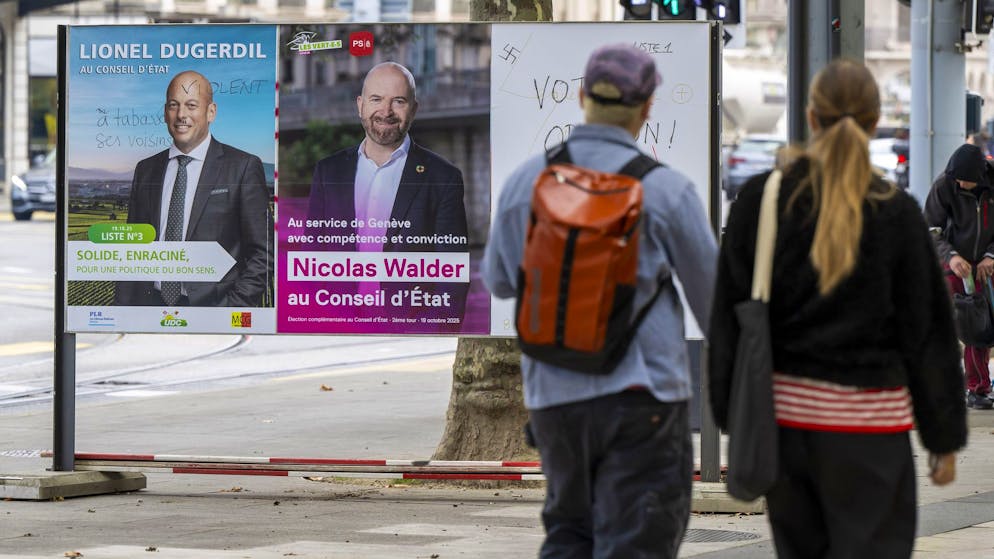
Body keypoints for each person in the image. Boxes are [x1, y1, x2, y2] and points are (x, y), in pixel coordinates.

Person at [709, 60, 967, 558]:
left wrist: (731, 417)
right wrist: (943, 437)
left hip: (787, 437)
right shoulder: (897, 212)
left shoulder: (761, 202)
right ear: (874, 123)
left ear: (811, 116)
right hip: (874, 438)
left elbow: (728, 321)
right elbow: (929, 333)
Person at [483, 45, 717, 558]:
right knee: (636, 542)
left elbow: (499, 281)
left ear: (582, 95)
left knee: (569, 534)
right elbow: (714, 306)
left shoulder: (527, 181)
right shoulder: (667, 190)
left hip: (555, 399)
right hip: (643, 399)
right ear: (648, 107)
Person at [305, 61, 469, 322]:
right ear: (360, 105)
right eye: (376, 99)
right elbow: (312, 255)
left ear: (414, 110)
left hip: (408, 328)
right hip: (338, 324)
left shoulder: (443, 177)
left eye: (399, 101)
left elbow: (452, 272)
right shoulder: (328, 172)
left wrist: (433, 330)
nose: (386, 111)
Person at [115, 70, 272, 307]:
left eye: (191, 105)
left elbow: (264, 253)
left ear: (211, 112)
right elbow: (132, 251)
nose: (181, 115)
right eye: (173, 105)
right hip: (149, 308)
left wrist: (232, 308)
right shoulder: (146, 170)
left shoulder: (242, 166)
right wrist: (123, 311)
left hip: (214, 309)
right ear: (165, 113)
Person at [924, 143, 994, 409]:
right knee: (950, 325)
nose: (960, 184)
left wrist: (991, 256)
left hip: (987, 266)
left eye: (965, 180)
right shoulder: (944, 185)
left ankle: (978, 389)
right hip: (955, 264)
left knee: (978, 329)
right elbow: (931, 229)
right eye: (957, 179)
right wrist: (951, 256)